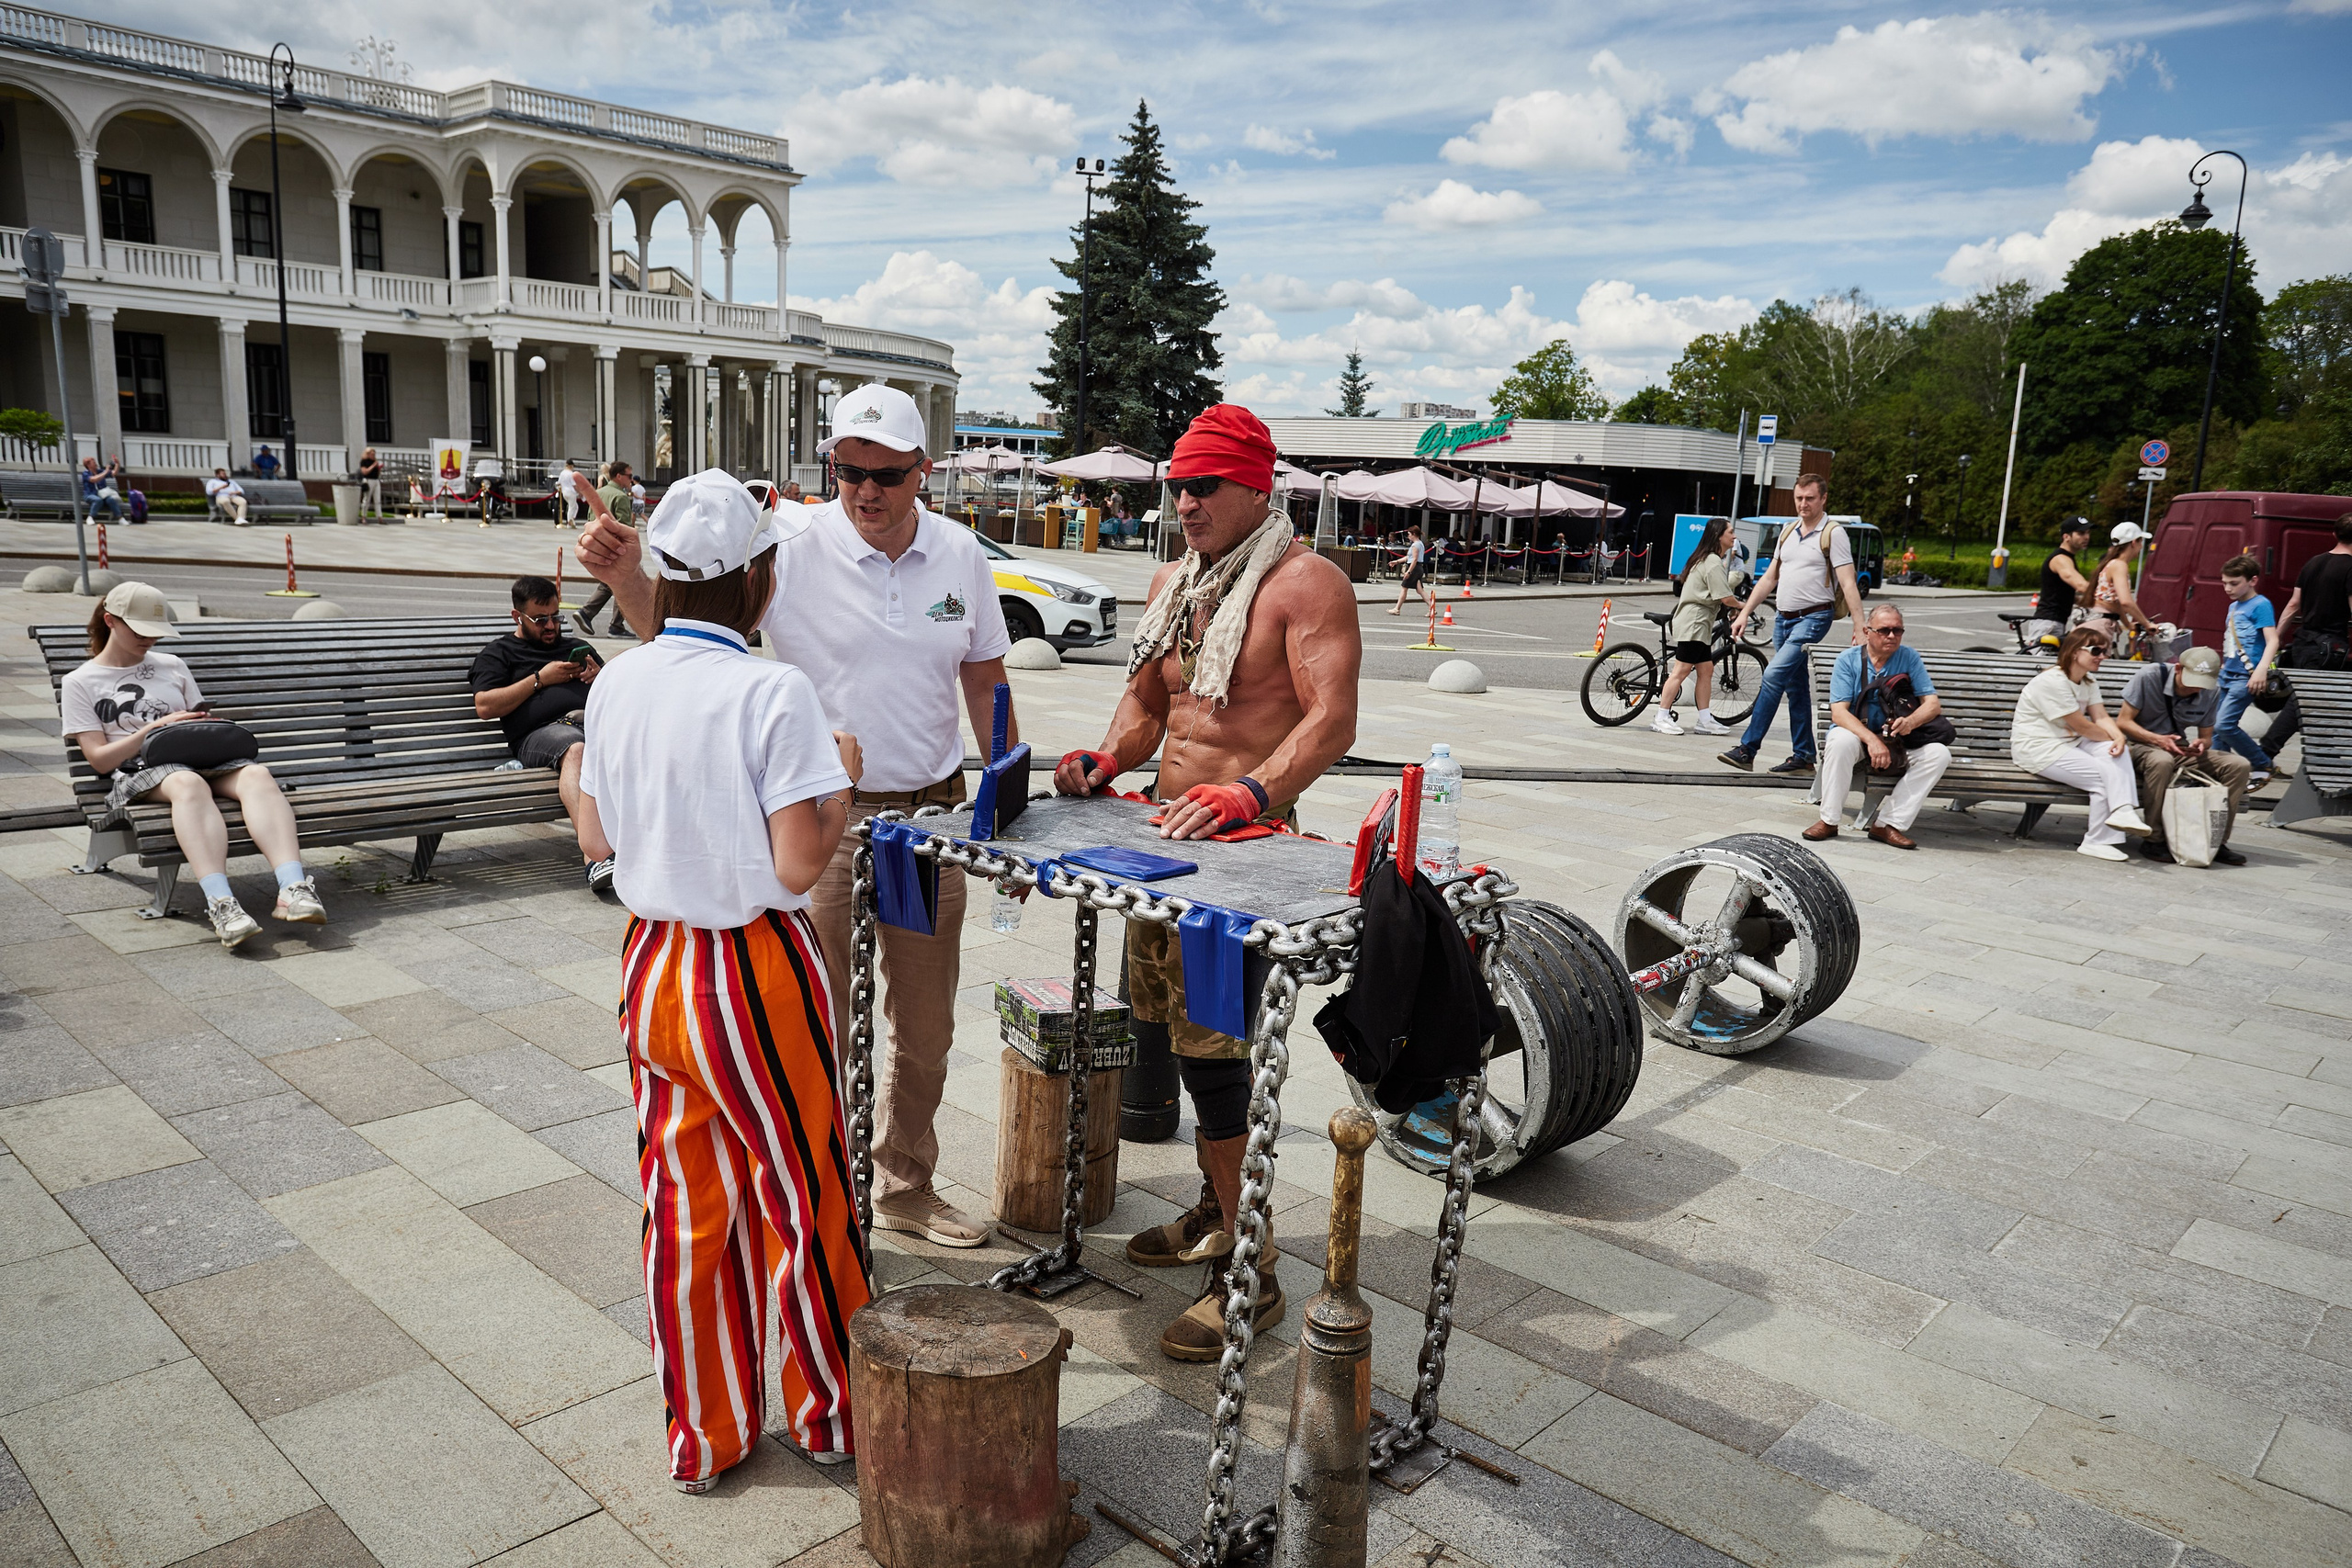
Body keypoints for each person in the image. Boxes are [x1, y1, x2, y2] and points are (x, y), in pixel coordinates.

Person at [578, 386, 1015, 1251]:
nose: (865, 490)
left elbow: (986, 680)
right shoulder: (790, 545)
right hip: (821, 819)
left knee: (926, 1027)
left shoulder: (961, 553)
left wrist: (1006, 796)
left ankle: (904, 1182)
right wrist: (630, 577)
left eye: (886, 475)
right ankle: (823, 1188)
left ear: (923, 472)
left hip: (931, 820)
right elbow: (690, 634)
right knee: (822, 1024)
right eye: (848, 471)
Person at [573, 470, 870, 1491]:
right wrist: (839, 779)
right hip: (752, 968)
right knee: (805, 1193)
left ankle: (706, 1432)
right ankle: (831, 1414)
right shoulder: (772, 691)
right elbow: (797, 864)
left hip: (651, 961)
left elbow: (598, 835)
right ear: (760, 579)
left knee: (684, 1205)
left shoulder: (618, 680)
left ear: (660, 570)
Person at [1053, 403, 1361, 1360]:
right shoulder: (1174, 581)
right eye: (1177, 486)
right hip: (1163, 848)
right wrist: (1107, 759)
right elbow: (1149, 704)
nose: (1184, 502)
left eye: (1204, 486)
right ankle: (1216, 1211)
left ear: (1256, 488)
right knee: (1186, 1048)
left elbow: (1331, 718)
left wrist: (1251, 790)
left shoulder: (1306, 583)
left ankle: (1251, 1271)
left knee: (1221, 1063)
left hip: (1246, 857)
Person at [62, 581, 325, 947]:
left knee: (257, 775)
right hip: (139, 773)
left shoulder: (172, 665)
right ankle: (222, 903)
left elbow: (198, 722)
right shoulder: (80, 681)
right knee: (186, 782)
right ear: (110, 621)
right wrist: (152, 729)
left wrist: (203, 724)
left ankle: (292, 889)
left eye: (156, 632)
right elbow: (99, 759)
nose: (150, 639)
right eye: (140, 631)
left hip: (198, 760)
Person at [471, 577, 614, 896]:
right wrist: (540, 679)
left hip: (592, 727)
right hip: (540, 736)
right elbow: (485, 706)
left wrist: (602, 678)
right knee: (575, 750)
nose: (551, 626)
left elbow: (618, 695)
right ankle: (596, 859)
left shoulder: (576, 648)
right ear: (517, 616)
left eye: (555, 617)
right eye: (540, 620)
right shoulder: (500, 653)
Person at [1718, 473, 1864, 775]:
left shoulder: (1833, 533)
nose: (1803, 504)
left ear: (1823, 498)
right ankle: (1804, 756)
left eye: (1810, 498)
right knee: (1795, 688)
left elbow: (1848, 582)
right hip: (1783, 620)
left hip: (1814, 617)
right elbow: (1770, 578)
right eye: (1799, 498)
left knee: (1773, 676)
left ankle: (1747, 749)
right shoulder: (1788, 531)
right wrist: (1744, 613)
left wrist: (1860, 625)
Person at [1808, 604, 1951, 849]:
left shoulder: (1909, 657)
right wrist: (1872, 741)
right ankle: (1829, 821)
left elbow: (1932, 705)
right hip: (1857, 735)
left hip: (1897, 739)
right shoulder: (1848, 660)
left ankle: (1887, 824)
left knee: (1939, 754)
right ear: (1867, 631)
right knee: (1840, 741)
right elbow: (1839, 713)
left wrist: (1910, 721)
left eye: (1898, 630)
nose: (1892, 636)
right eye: (1884, 630)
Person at [2009, 626, 2153, 862]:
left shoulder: (2087, 680)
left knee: (2115, 752)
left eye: (2105, 651)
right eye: (2096, 651)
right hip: (2039, 749)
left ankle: (2123, 811)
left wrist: (2119, 738)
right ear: (2075, 652)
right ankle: (2097, 840)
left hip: (2070, 743)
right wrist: (2115, 739)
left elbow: (2101, 717)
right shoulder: (2052, 681)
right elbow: (2083, 726)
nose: (2102, 656)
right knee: (2104, 779)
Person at [2117, 646, 2250, 865]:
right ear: (2178, 669)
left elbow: (2206, 737)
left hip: (2178, 748)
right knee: (2162, 761)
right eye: (2192, 682)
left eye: (2202, 684)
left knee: (2239, 765)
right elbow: (2123, 722)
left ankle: (2217, 840)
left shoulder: (2211, 691)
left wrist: (2201, 744)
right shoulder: (2149, 676)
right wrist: (2157, 739)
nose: (2196, 688)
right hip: (2140, 745)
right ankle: (2154, 838)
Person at [1651, 517, 1740, 736]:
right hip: (1695, 622)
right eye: (1730, 532)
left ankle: (1705, 720)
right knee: (1681, 670)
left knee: (1706, 670)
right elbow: (1725, 597)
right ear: (1719, 535)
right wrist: (1744, 606)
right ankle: (1661, 717)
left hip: (1700, 623)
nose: (1734, 536)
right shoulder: (1712, 561)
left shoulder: (1707, 558)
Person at [2213, 554, 2280, 784]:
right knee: (2216, 729)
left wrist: (2261, 670)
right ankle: (2220, 772)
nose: (2227, 588)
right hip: (2227, 673)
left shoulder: (2261, 604)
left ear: (2252, 580)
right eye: (2224, 583)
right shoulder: (2234, 606)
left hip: (2245, 676)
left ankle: (2262, 763)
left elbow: (2273, 640)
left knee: (2225, 725)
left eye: (2234, 583)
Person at [577, 462, 639, 636]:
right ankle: (613, 625)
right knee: (625, 583)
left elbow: (590, 519)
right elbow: (624, 526)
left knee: (610, 584)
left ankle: (588, 614)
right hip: (616, 548)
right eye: (629, 476)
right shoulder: (620, 496)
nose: (631, 480)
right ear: (619, 476)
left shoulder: (599, 493)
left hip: (598, 545)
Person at [2081, 524, 2154, 651]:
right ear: (2133, 542)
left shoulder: (2112, 563)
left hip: (2097, 622)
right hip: (2100, 625)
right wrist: (2147, 624)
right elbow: (2126, 602)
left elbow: (2116, 603)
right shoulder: (2119, 565)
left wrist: (2128, 624)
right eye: (2140, 542)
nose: (2141, 547)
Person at [2021, 517, 2093, 647]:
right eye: (2081, 533)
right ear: (2066, 537)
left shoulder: (2068, 558)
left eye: (2088, 533)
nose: (2086, 537)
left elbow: (2060, 593)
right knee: (2040, 660)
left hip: (2055, 622)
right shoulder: (2061, 559)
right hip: (2049, 623)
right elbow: (2081, 585)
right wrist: (2107, 594)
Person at [1388, 525, 1434, 616]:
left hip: (1414, 568)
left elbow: (1414, 559)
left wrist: (1409, 571)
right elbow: (1409, 557)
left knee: (1404, 588)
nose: (1408, 536)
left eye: (1409, 534)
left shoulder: (1415, 545)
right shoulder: (1420, 544)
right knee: (1420, 590)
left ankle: (1397, 609)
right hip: (1418, 568)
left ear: (1413, 534)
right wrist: (1397, 562)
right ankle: (1432, 608)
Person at [79, 457, 123, 523]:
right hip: (90, 494)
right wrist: (106, 472)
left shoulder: (100, 471)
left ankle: (120, 518)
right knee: (97, 500)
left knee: (111, 500)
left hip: (102, 495)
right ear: (88, 465)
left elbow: (114, 474)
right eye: (93, 462)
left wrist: (117, 464)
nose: (95, 464)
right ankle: (90, 517)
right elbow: (93, 479)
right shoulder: (85, 473)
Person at [557, 458, 584, 527]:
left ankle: (572, 520)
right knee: (571, 508)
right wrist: (580, 492)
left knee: (575, 507)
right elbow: (574, 485)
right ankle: (569, 523)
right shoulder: (571, 474)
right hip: (571, 492)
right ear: (570, 466)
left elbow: (559, 483)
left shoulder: (562, 473)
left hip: (564, 492)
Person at [357, 447, 384, 518]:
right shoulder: (364, 462)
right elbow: (365, 472)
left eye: (374, 454)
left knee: (377, 500)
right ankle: (364, 516)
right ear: (368, 454)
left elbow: (377, 473)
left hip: (376, 480)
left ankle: (379, 516)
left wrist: (379, 468)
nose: (373, 456)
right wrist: (373, 466)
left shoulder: (375, 461)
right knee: (367, 499)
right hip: (368, 480)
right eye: (372, 454)